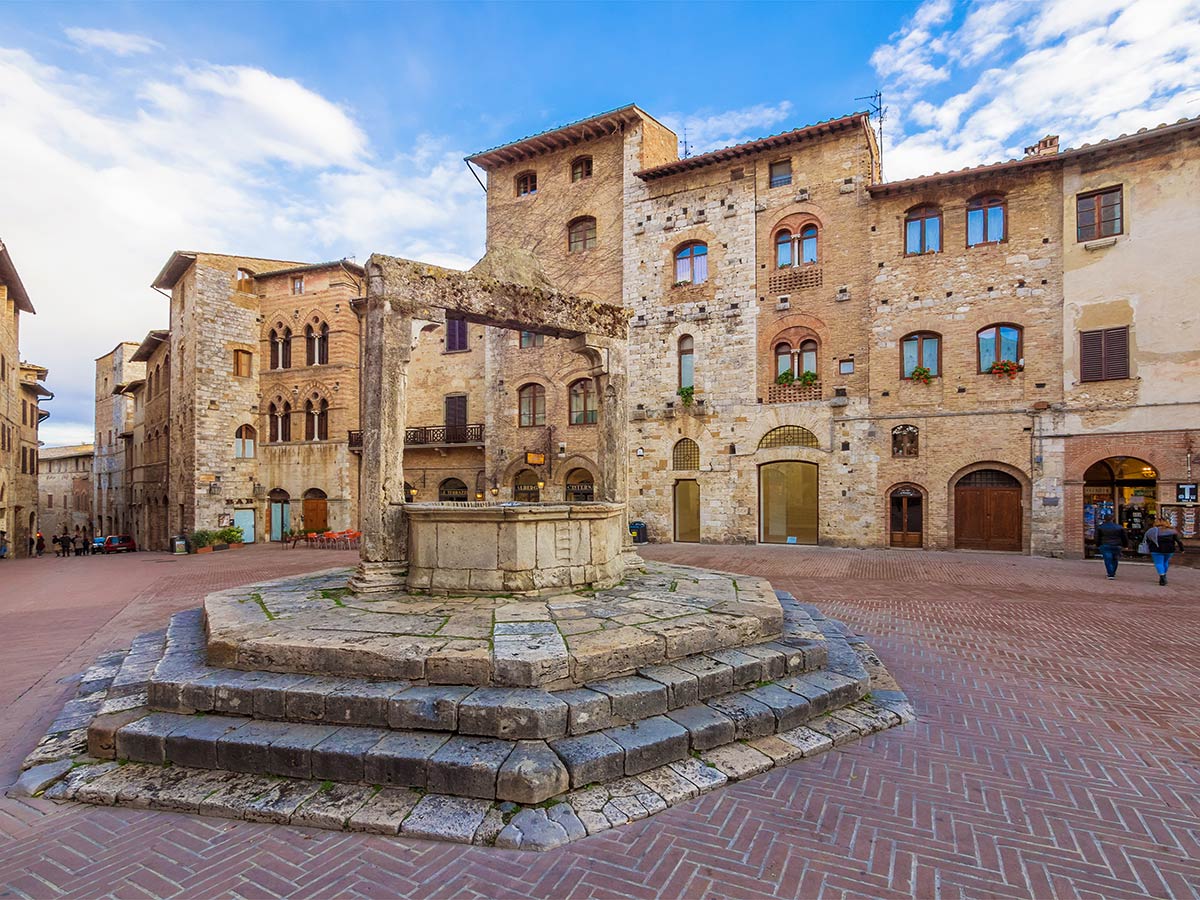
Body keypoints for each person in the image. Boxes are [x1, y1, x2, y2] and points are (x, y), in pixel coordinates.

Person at [1144, 518, 1185, 586]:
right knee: (1165, 562)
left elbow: (1147, 540)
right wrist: (1182, 549)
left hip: (1156, 549)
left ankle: (1162, 576)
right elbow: (1178, 541)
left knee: (1159, 563)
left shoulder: (1152, 531)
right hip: (1169, 549)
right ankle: (1164, 575)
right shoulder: (1172, 531)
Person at [1095, 515, 1128, 580]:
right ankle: (1113, 572)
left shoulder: (1100, 527)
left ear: (1104, 519)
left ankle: (1110, 574)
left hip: (1105, 544)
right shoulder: (1119, 527)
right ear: (1113, 519)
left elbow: (1097, 537)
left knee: (1108, 559)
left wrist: (1097, 544)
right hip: (1117, 545)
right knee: (1115, 559)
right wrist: (1125, 545)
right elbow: (1124, 537)